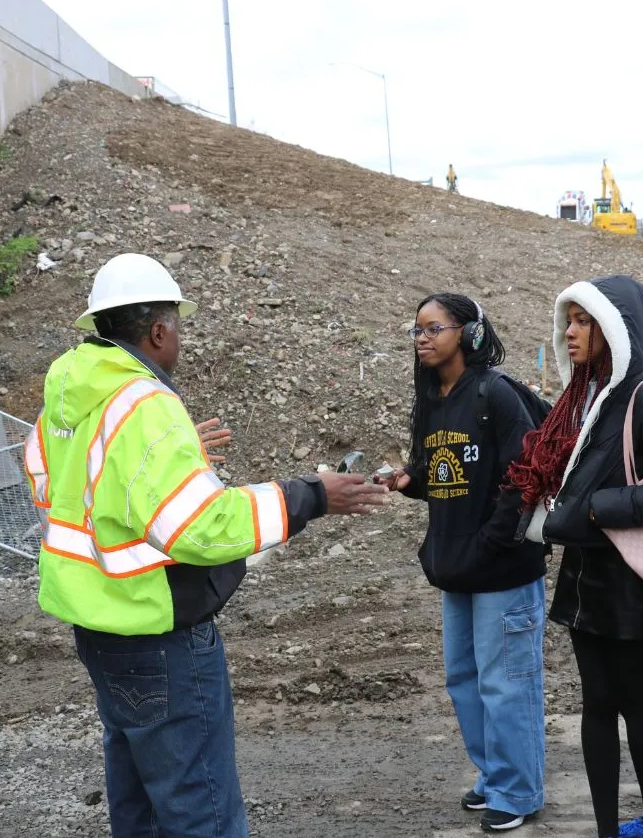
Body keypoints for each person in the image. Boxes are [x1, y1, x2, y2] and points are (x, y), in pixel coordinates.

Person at [23, 253, 387, 838]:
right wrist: (311, 495)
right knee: (200, 809)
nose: (179, 340)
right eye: (177, 327)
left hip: (99, 627)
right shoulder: (146, 404)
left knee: (138, 800)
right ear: (158, 331)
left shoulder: (69, 396)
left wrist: (161, 461)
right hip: (157, 630)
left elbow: (52, 483)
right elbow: (202, 527)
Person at [504, 275, 643, 838]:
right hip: (585, 571)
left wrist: (596, 508)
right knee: (595, 707)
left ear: (615, 327)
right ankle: (608, 832)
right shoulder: (584, 397)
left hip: (633, 576)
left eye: (582, 321)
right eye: (567, 320)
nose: (568, 332)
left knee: (638, 706)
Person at [376, 293, 548, 832]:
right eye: (417, 330)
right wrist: (410, 479)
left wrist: (491, 542)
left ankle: (518, 791)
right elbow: (447, 473)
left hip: (500, 567)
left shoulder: (495, 393)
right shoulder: (435, 399)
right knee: (464, 679)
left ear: (468, 333)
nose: (422, 338)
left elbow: (526, 475)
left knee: (507, 682)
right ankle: (495, 773)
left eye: (434, 328)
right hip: (456, 566)